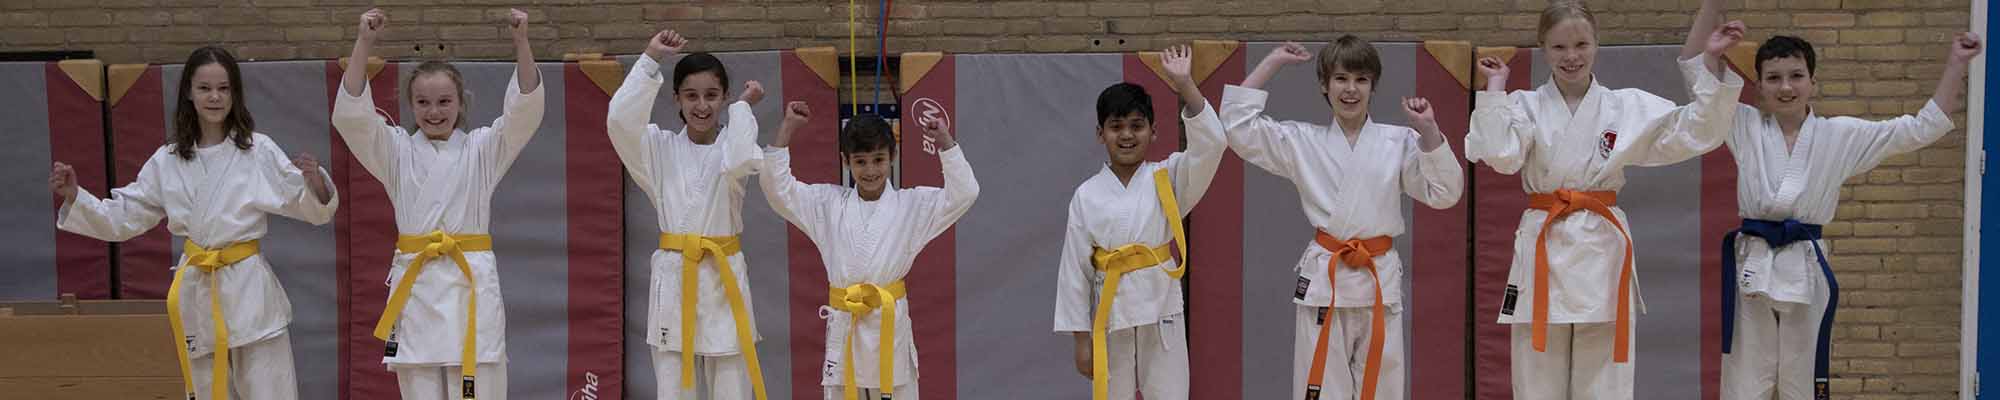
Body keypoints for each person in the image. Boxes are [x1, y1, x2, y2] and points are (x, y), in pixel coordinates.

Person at [1465, 0, 1745, 397]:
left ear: (1597, 45)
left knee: (1605, 383)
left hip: (1601, 247)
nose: (1571, 56)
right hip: (1543, 244)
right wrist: (1495, 89)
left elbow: (1698, 131)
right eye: (1559, 47)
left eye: (1581, 44)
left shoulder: (1625, 107)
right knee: (1535, 381)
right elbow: (1499, 156)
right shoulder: (1523, 106)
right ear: (1543, 49)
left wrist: (1712, 60)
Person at [53, 45, 338, 400]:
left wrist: (315, 185)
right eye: (205, 88)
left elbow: (307, 205)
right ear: (189, 91)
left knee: (271, 390)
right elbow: (125, 217)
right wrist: (75, 197)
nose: (215, 97)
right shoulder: (168, 160)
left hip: (249, 291)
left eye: (224, 88)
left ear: (235, 93)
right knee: (207, 391)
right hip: (198, 290)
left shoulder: (257, 151)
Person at [1222, 34, 1464, 400]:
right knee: (1321, 387)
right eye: (1341, 78)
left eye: (1361, 79)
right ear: (1324, 84)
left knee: (1382, 388)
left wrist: (1429, 129)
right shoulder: (1302, 142)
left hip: (1378, 280)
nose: (1351, 89)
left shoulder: (1398, 141)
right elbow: (1237, 125)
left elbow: (1447, 193)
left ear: (1373, 86)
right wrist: (1272, 61)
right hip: (1325, 281)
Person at [332, 7, 545, 400]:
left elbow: (524, 113)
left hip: (469, 285)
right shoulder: (395, 151)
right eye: (424, 103)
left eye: (444, 102)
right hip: (418, 287)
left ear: (460, 102)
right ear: (410, 105)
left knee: (480, 385)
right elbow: (353, 117)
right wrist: (364, 42)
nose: (434, 112)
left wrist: (522, 42)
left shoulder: (482, 148)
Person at [762, 102, 978, 400]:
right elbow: (778, 190)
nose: (871, 170)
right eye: (861, 161)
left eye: (878, 159)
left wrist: (946, 144)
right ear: (846, 161)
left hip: (888, 328)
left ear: (893, 157)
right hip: (844, 324)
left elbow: (965, 193)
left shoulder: (912, 206)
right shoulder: (827, 204)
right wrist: (787, 129)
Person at [605, 28, 772, 400]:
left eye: (712, 96)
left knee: (732, 384)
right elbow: (619, 121)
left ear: (724, 98)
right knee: (673, 388)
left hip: (723, 273)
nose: (702, 106)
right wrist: (650, 57)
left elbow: (744, 159)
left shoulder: (734, 142)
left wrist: (743, 108)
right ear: (676, 99)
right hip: (676, 274)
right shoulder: (657, 149)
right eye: (691, 96)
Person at [1051, 45, 1223, 400]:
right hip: (1109, 312)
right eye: (1116, 127)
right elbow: (1074, 271)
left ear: (1153, 132)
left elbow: (1213, 144)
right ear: (1101, 134)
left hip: (1162, 310)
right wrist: (1081, 340)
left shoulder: (1168, 177)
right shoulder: (1087, 194)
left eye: (1136, 126)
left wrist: (1184, 83)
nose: (1127, 135)